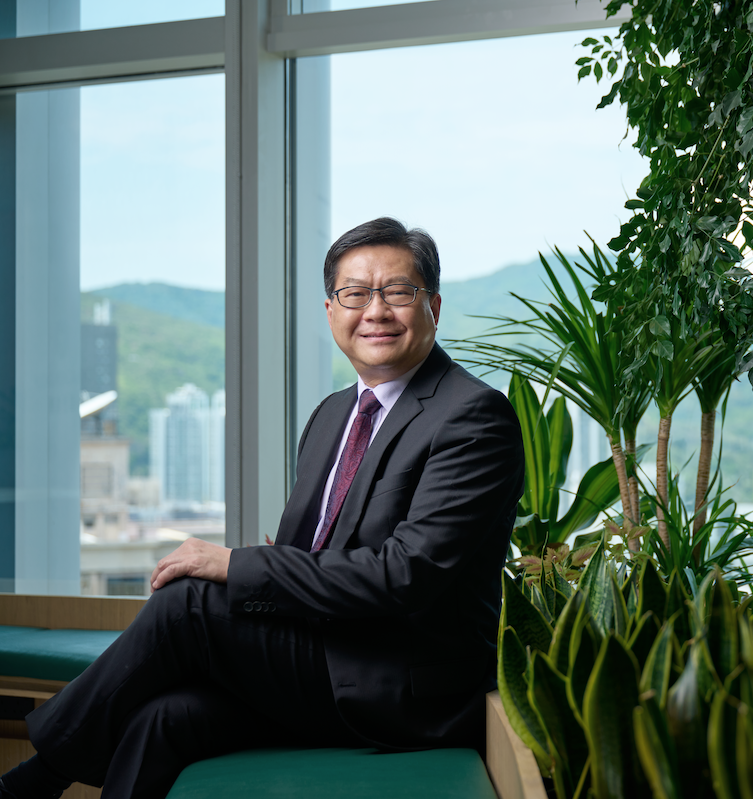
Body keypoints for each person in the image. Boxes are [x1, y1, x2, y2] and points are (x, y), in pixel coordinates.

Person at [0, 218, 525, 799]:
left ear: (434, 307)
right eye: (355, 294)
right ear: (331, 311)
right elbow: (307, 553)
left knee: (187, 606)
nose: (375, 311)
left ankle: (32, 783)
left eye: (397, 292)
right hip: (321, 655)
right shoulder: (332, 415)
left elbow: (405, 574)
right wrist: (278, 565)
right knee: (164, 718)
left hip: (401, 687)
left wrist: (238, 564)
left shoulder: (473, 417)